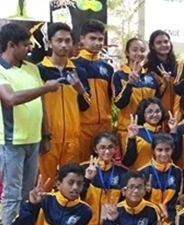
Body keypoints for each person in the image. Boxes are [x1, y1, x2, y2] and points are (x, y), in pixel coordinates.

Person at [0, 23, 63, 225]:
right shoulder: (1, 69)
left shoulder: (31, 68)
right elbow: (11, 99)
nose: (30, 48)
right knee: (12, 194)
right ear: (11, 45)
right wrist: (45, 88)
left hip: (34, 139)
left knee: (29, 193)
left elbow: (41, 103)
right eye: (26, 44)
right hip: (11, 141)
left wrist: (45, 134)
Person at [38, 23, 91, 191]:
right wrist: (43, 135)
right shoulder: (39, 70)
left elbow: (86, 106)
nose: (64, 45)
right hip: (49, 138)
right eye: (59, 40)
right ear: (49, 42)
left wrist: (80, 90)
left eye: (68, 41)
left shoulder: (79, 71)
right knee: (45, 184)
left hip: (72, 139)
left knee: (71, 185)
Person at [73, 20, 114, 161]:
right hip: (82, 126)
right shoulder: (73, 65)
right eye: (92, 38)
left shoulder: (108, 68)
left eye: (100, 39)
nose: (97, 43)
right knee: (83, 165)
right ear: (82, 39)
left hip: (105, 125)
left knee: (106, 166)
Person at [81, 132, 128, 225]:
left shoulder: (123, 172)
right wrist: (86, 180)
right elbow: (76, 198)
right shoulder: (84, 168)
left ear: (115, 149)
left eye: (110, 147)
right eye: (102, 147)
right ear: (95, 149)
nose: (107, 151)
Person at [113, 37, 162, 148]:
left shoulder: (151, 77)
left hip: (149, 131)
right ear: (127, 52)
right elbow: (119, 103)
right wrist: (129, 84)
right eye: (134, 50)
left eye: (142, 50)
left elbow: (157, 103)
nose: (139, 53)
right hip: (127, 129)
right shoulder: (120, 75)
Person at [138, 134, 184, 225]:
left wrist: (172, 222)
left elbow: (176, 200)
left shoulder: (177, 172)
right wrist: (147, 193)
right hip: (149, 218)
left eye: (167, 150)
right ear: (153, 151)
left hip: (170, 218)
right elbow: (140, 201)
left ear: (172, 149)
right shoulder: (144, 172)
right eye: (159, 150)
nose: (163, 154)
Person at [146, 30, 178, 114]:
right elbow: (149, 97)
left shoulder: (177, 66)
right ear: (152, 46)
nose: (163, 45)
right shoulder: (147, 68)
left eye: (166, 42)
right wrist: (163, 84)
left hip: (176, 112)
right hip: (157, 114)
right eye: (159, 43)